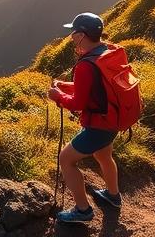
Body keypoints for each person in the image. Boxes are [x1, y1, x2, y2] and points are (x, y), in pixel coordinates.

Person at [47, 13, 122, 223]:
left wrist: (57, 96)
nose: (71, 36)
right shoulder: (106, 52)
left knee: (66, 159)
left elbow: (78, 104)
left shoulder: (85, 65)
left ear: (81, 35)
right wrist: (64, 85)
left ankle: (83, 211)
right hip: (112, 119)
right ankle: (113, 195)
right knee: (104, 156)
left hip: (98, 125)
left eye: (73, 32)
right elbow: (93, 88)